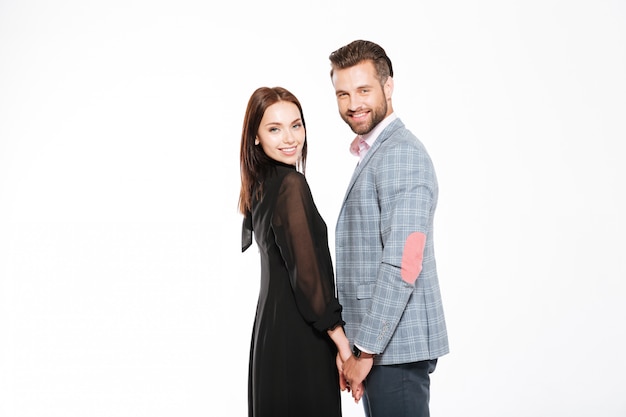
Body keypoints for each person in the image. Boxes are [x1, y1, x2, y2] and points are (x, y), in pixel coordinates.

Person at [328, 40, 450, 417]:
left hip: (392, 349)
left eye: (363, 90)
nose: (353, 104)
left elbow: (404, 262)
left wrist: (364, 351)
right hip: (381, 349)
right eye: (343, 93)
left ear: (388, 86)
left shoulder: (400, 155)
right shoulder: (379, 151)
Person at [239, 86, 355, 417]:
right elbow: (309, 279)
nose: (290, 138)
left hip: (269, 337)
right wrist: (343, 346)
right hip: (299, 338)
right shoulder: (291, 185)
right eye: (274, 129)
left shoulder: (259, 187)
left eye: (296, 125)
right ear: (256, 137)